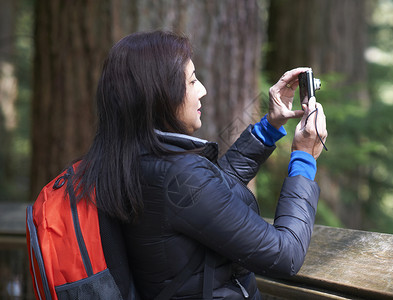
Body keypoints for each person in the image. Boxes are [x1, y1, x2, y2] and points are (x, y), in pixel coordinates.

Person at [73, 30, 327, 299]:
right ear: (161, 94)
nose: (203, 90)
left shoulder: (130, 159)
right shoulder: (177, 176)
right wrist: (304, 159)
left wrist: (268, 128)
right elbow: (285, 254)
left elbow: (211, 195)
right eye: (192, 81)